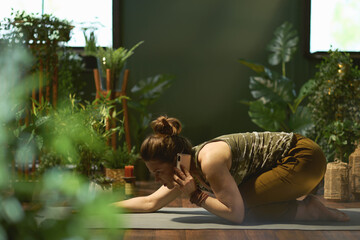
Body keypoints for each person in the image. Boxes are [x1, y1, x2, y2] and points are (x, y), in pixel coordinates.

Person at [114, 116, 349, 224]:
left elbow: (235, 215)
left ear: (176, 160)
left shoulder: (209, 161)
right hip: (295, 163)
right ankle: (306, 208)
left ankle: (310, 210)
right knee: (237, 204)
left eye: (157, 171)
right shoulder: (185, 166)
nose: (155, 179)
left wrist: (195, 195)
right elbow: (150, 203)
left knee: (242, 207)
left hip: (304, 158)